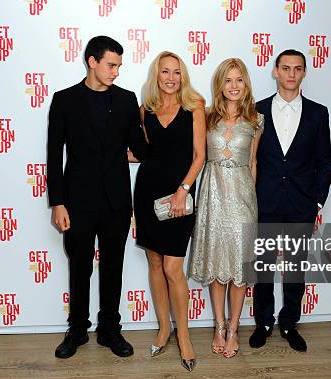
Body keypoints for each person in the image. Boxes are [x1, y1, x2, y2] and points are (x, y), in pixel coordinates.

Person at [47, 36, 149, 359]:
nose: (116, 72)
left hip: (117, 201)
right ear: (92, 61)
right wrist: (57, 202)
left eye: (119, 66)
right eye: (111, 65)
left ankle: (109, 330)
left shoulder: (126, 100)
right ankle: (77, 329)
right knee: (79, 266)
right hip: (77, 201)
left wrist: (150, 118)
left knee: (113, 266)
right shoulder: (64, 100)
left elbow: (141, 149)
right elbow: (54, 154)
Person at [249, 49, 331, 352]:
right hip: (265, 202)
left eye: (298, 69)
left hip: (301, 205)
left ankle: (289, 323)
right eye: (285, 68)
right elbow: (252, 159)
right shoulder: (255, 110)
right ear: (275, 71)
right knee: (263, 267)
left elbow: (325, 161)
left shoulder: (318, 113)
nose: (291, 74)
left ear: (304, 73)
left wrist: (317, 203)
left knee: (296, 268)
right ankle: (263, 323)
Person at [132, 51, 205, 371]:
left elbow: (199, 156)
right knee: (155, 261)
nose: (171, 77)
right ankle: (164, 329)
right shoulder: (145, 109)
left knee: (174, 267)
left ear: (183, 76)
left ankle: (184, 336)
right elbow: (142, 153)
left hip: (180, 196)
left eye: (177, 72)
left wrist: (182, 190)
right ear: (156, 75)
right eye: (165, 72)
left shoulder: (194, 107)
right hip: (147, 193)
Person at [188, 58, 263, 359]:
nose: (233, 86)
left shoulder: (256, 120)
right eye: (228, 80)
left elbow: (253, 162)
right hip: (212, 197)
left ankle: (234, 328)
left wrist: (251, 201)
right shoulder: (205, 117)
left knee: (239, 270)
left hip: (243, 198)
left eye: (239, 80)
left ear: (245, 84)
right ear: (220, 84)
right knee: (218, 267)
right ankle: (219, 325)